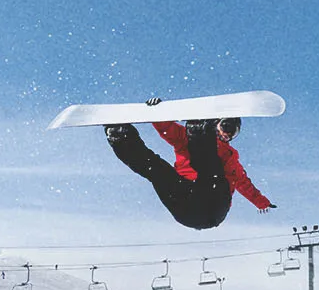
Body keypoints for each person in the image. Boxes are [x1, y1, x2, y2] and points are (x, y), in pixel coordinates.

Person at [103, 98, 275, 230]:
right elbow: (167, 129)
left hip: (213, 206)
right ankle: (121, 137)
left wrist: (261, 202)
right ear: (216, 124)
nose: (227, 135)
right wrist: (157, 112)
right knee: (156, 170)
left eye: (233, 133)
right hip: (186, 209)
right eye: (226, 126)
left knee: (209, 166)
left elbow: (245, 184)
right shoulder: (184, 137)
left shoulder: (230, 157)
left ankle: (199, 131)